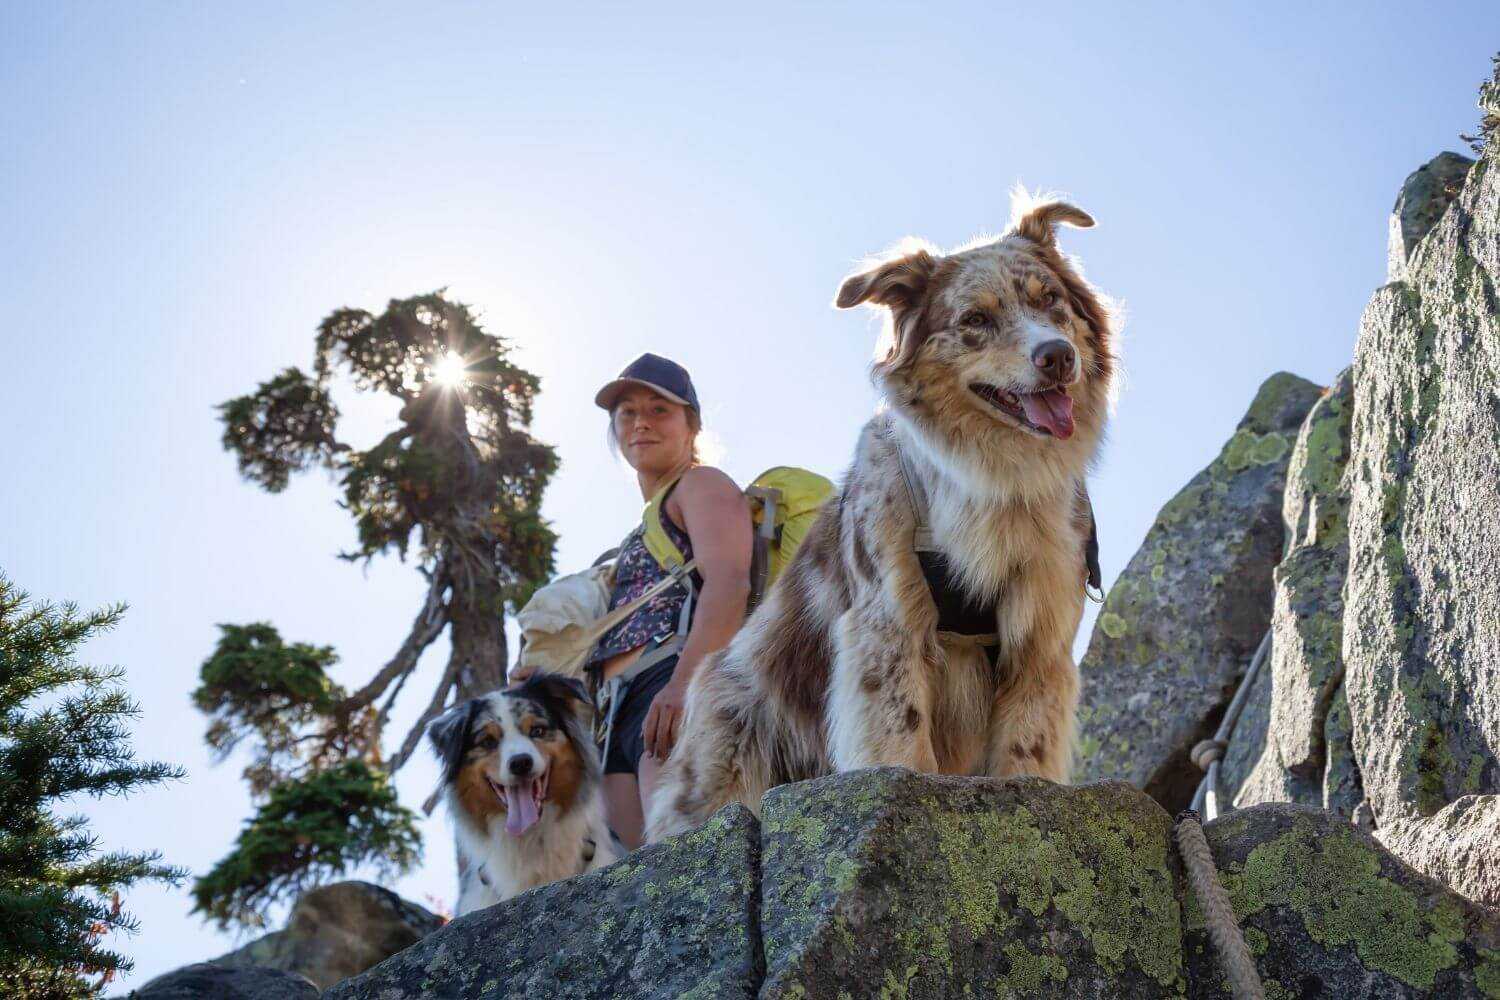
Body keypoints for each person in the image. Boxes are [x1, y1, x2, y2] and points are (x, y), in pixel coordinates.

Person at [588, 353, 752, 849]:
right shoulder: (641, 528)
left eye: (660, 410)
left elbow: (730, 582)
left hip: (672, 680)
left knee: (684, 858)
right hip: (617, 712)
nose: (640, 423)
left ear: (691, 426)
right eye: (627, 413)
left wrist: (685, 686)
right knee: (642, 881)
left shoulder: (700, 484)